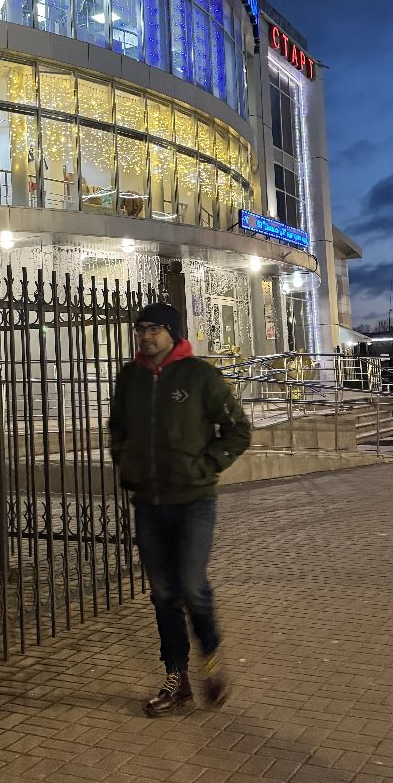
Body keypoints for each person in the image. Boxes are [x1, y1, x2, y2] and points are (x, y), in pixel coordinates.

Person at [108, 302, 252, 717]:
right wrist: (125, 460)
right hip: (149, 504)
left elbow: (238, 429)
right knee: (163, 594)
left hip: (193, 502)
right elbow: (117, 426)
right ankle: (177, 679)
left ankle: (211, 664)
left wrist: (205, 465)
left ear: (173, 332)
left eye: (153, 328)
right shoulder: (130, 378)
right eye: (140, 328)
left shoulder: (200, 376)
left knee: (191, 586)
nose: (145, 335)